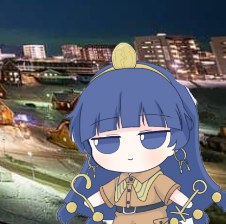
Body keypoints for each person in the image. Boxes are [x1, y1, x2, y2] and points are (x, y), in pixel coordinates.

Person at [57, 43, 225, 224]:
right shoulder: (118, 183)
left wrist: (191, 210)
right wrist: (77, 205)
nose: (130, 153)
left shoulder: (158, 181)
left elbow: (180, 199)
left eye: (151, 139)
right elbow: (101, 196)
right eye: (109, 143)